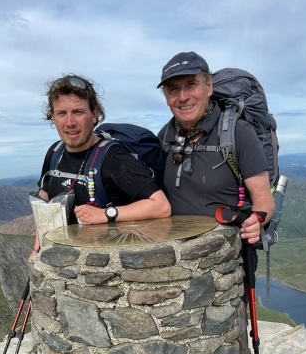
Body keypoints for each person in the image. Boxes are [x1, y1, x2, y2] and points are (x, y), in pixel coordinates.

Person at [33, 74, 171, 253]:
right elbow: (45, 193)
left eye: (78, 112)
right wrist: (40, 229)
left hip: (107, 266)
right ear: (53, 117)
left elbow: (161, 206)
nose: (69, 123)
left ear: (94, 114)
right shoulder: (55, 152)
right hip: (63, 266)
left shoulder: (113, 157)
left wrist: (106, 214)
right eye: (61, 113)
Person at [156, 52, 273, 245]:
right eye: (173, 89)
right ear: (167, 97)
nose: (183, 97)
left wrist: (257, 221)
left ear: (208, 86)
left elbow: (264, 200)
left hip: (226, 258)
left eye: (191, 85)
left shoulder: (238, 133)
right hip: (178, 257)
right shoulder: (165, 136)